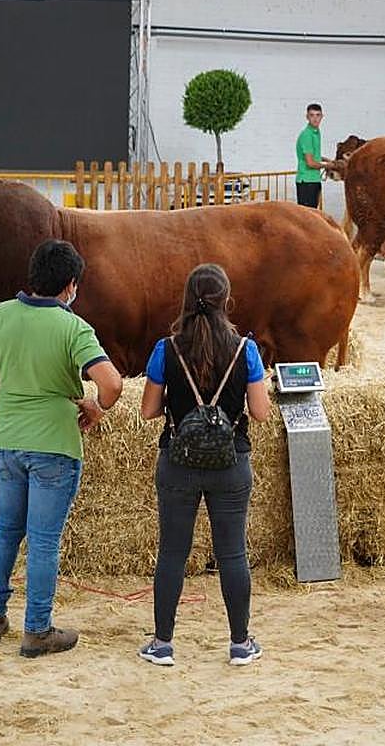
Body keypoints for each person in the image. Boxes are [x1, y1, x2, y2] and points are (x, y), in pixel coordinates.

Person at [0, 239, 123, 658]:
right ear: (71, 285)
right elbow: (112, 383)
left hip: (7, 439)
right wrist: (97, 407)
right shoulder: (73, 327)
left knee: (7, 529)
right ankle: (38, 630)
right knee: (44, 540)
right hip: (55, 443)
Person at [136, 264, 270, 668]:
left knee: (172, 553)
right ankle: (240, 643)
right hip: (231, 463)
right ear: (227, 301)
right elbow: (261, 412)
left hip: (178, 462)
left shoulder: (167, 348)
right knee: (233, 554)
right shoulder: (245, 349)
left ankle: (162, 644)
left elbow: (147, 411)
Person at [295, 103, 334, 209]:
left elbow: (313, 155)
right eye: (312, 115)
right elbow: (310, 163)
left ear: (322, 116)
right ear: (307, 117)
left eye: (318, 115)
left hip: (314, 180)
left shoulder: (316, 132)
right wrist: (328, 166)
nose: (315, 119)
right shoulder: (307, 135)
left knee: (313, 214)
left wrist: (326, 160)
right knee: (308, 218)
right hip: (307, 182)